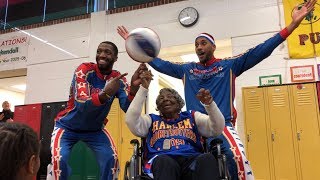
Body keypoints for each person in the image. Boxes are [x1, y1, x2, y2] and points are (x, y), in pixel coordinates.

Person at [117, 1, 316, 179]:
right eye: (196, 45)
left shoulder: (230, 65)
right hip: (193, 128)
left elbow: (262, 49)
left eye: (203, 43)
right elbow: (157, 62)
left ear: (213, 46)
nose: (198, 47)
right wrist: (135, 44)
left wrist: (292, 26)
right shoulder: (187, 70)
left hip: (220, 125)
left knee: (234, 155)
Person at [46, 41, 147, 180]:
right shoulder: (84, 70)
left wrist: (134, 89)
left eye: (107, 52)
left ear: (116, 58)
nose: (102, 55)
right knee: (59, 160)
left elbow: (127, 108)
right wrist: (105, 94)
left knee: (111, 160)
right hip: (67, 127)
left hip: (95, 130)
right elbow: (82, 104)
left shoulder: (118, 79)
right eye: (99, 51)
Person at [125, 70, 225, 180]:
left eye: (169, 96)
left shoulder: (192, 116)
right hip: (162, 162)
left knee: (207, 158)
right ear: (158, 106)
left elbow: (217, 128)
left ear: (179, 103)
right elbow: (131, 120)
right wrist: (143, 89)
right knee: (164, 161)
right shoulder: (151, 120)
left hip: (191, 161)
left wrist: (209, 105)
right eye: (161, 98)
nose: (165, 99)